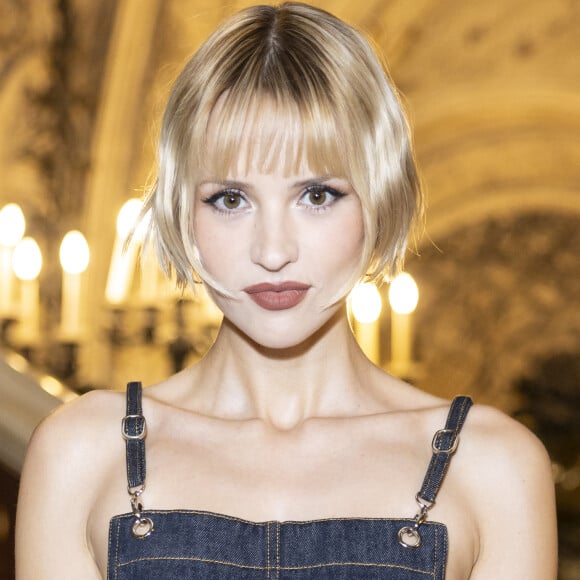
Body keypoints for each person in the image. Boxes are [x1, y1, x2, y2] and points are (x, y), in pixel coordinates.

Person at [16, 3, 557, 579]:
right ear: (181, 213)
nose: (273, 251)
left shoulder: (493, 468)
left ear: (381, 197)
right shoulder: (81, 454)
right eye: (231, 199)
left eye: (317, 195)